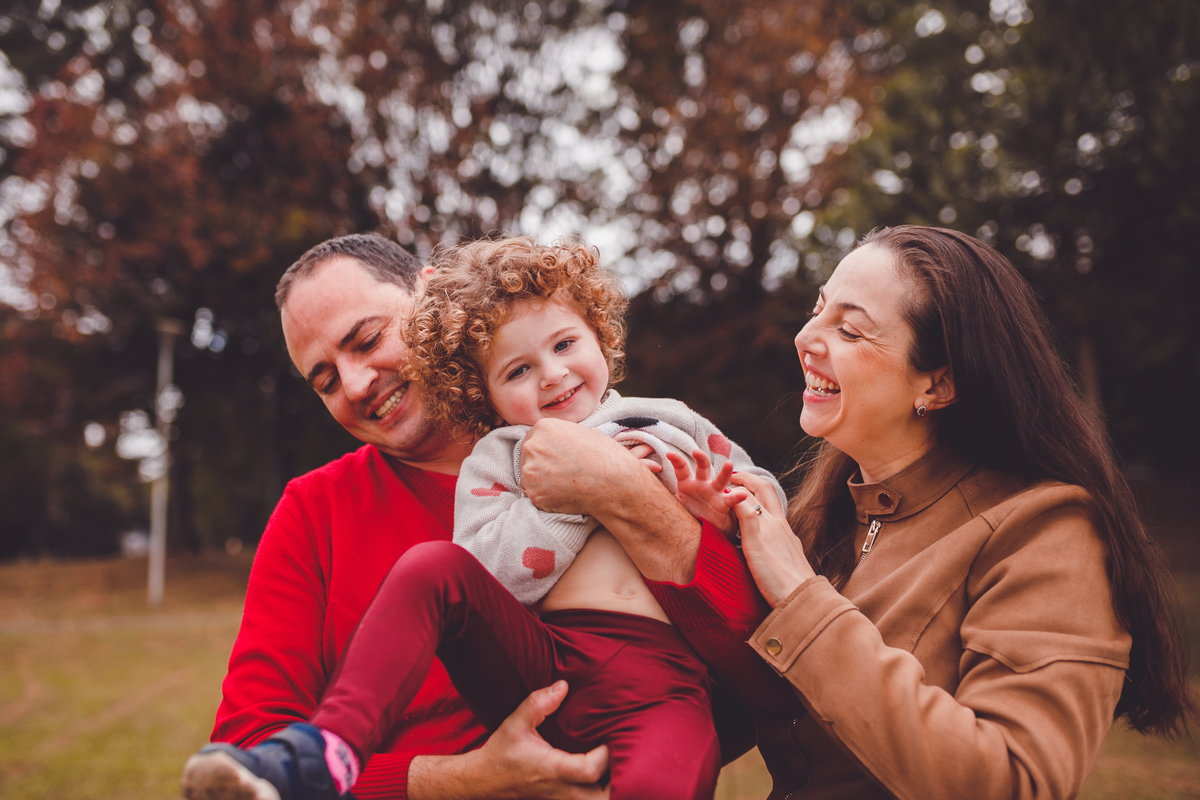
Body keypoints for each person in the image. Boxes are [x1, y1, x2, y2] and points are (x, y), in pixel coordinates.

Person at [515, 225, 1197, 799]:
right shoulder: (819, 519)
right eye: (818, 309)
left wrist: (799, 595)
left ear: (939, 382)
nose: (807, 337)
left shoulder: (1047, 530)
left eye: (850, 328)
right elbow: (715, 708)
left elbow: (1016, 781)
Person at [183, 236, 785, 800]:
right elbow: (247, 749)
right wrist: (463, 779)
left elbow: (768, 672)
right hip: (529, 671)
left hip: (648, 702)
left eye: (366, 340)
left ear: (433, 300)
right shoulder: (318, 512)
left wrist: (635, 494)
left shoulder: (651, 426)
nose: (357, 382)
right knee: (433, 567)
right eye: (325, 380)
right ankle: (330, 754)